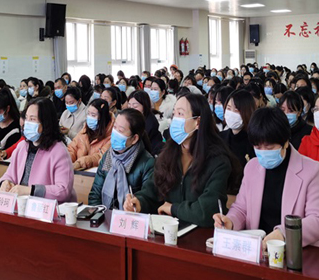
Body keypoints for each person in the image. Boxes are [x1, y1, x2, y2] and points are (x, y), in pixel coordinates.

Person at [214, 107, 319, 250]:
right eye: (258, 147)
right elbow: (241, 209)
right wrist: (230, 221)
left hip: (298, 251)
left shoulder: (310, 171)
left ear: (285, 142)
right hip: (260, 249)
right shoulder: (252, 167)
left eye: (269, 148)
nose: (263, 153)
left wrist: (284, 234)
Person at [123, 92, 240, 228]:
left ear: (198, 122)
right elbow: (153, 190)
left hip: (201, 234)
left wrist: (173, 209)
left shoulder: (217, 161)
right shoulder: (169, 153)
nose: (175, 119)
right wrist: (139, 201)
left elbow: (207, 210)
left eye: (180, 114)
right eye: (174, 114)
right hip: (167, 230)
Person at [0, 98, 76, 203]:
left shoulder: (59, 151)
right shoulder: (22, 147)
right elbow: (10, 174)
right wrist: (5, 182)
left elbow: (63, 191)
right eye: (26, 118)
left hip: (46, 209)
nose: (27, 123)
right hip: (21, 205)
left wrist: (30, 190)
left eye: (32, 119)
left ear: (46, 122)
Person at [88, 108, 155, 209]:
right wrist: (100, 214)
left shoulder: (147, 163)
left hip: (130, 216)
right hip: (105, 214)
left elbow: (148, 199)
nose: (115, 133)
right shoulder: (108, 156)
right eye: (115, 127)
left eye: (120, 130)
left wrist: (134, 205)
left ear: (134, 139)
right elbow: (95, 194)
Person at [68, 98, 114, 170]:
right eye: (88, 114)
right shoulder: (85, 130)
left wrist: (80, 163)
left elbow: (101, 156)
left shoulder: (111, 136)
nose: (89, 117)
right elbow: (72, 148)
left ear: (102, 118)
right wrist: (66, 160)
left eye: (93, 115)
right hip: (77, 170)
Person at [220, 89, 256, 171]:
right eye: (228, 108)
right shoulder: (220, 137)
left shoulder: (254, 143)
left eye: (236, 110)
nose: (231, 113)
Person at [127, 91, 163, 155]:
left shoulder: (150, 123)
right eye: (129, 106)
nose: (131, 110)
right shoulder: (131, 118)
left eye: (135, 106)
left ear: (144, 106)